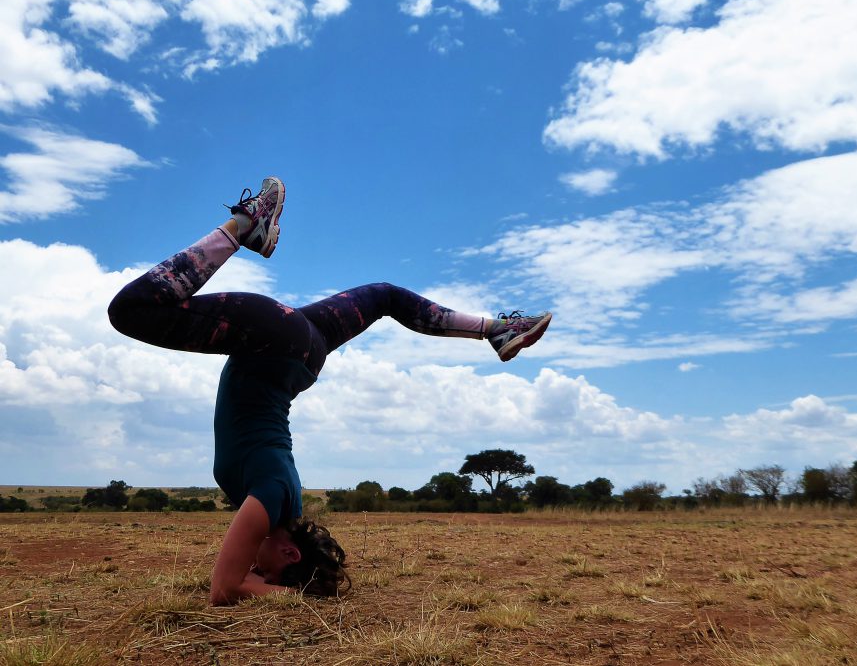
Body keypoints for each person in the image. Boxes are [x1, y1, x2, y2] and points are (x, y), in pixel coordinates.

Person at [107, 177, 551, 604]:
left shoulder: (284, 500)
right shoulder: (269, 504)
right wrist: (297, 594)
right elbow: (225, 589)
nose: (253, 571)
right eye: (266, 572)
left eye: (258, 574)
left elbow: (234, 581)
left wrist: (295, 588)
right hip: (275, 343)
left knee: (385, 296)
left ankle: (495, 329)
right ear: (289, 553)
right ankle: (245, 227)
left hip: (302, 351)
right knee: (131, 310)